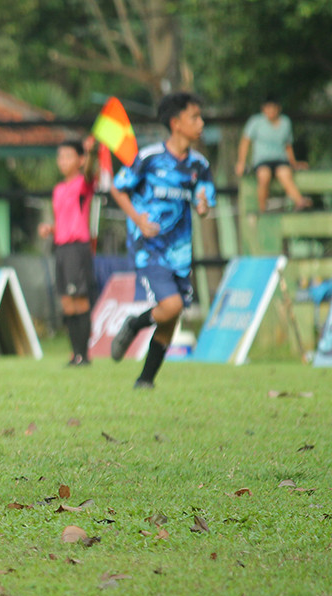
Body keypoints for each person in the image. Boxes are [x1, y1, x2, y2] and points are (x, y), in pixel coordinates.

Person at [109, 92, 216, 388]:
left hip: (180, 251)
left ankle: (145, 380)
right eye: (194, 117)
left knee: (171, 317)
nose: (201, 122)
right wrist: (139, 219)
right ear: (176, 123)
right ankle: (134, 325)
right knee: (171, 306)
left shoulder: (199, 165)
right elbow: (118, 188)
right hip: (150, 248)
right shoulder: (149, 158)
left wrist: (204, 207)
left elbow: (203, 205)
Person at [38, 137, 98, 366]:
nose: (62, 161)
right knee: (66, 301)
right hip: (61, 248)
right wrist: (50, 229)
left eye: (68, 156)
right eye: (60, 156)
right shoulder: (59, 189)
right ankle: (75, 354)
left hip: (77, 248)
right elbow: (63, 220)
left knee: (80, 299)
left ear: (80, 160)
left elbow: (92, 173)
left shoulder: (83, 183)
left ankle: (85, 354)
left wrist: (91, 154)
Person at [235, 96, 311, 212]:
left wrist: (293, 163)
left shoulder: (285, 122)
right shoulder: (256, 122)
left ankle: (299, 201)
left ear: (278, 109)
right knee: (264, 176)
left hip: (280, 159)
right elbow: (245, 142)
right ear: (263, 109)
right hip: (262, 161)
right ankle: (262, 209)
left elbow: (288, 145)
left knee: (285, 174)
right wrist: (241, 162)